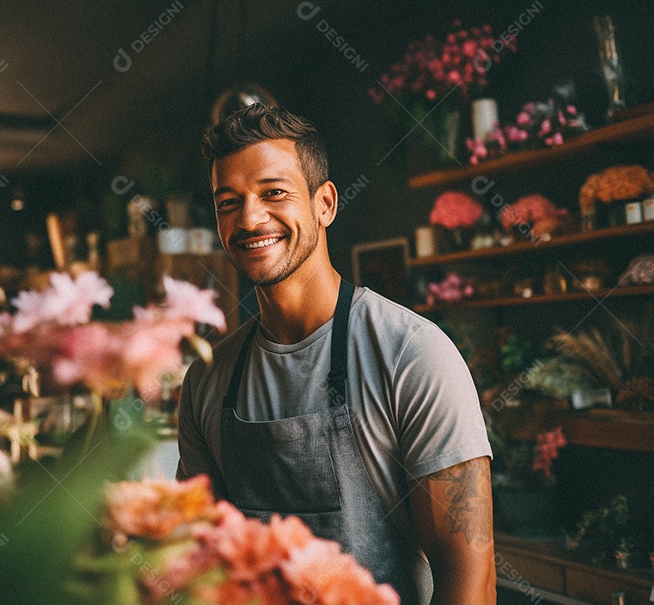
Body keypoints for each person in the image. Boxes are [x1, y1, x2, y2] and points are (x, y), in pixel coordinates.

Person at [176, 104, 495, 605]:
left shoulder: (413, 354)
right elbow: (200, 557)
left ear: (324, 204)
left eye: (273, 193)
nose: (250, 218)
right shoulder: (206, 380)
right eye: (228, 202)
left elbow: (469, 578)